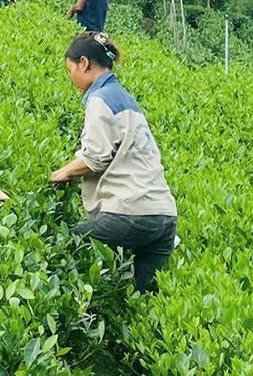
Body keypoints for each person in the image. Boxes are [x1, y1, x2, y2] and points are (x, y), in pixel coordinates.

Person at [49, 31, 177, 293]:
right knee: (144, 298)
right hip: (164, 216)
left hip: (132, 213)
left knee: (64, 244)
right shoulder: (125, 98)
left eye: (70, 69)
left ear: (84, 63)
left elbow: (94, 159)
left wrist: (60, 173)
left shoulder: (100, 99)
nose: (71, 77)